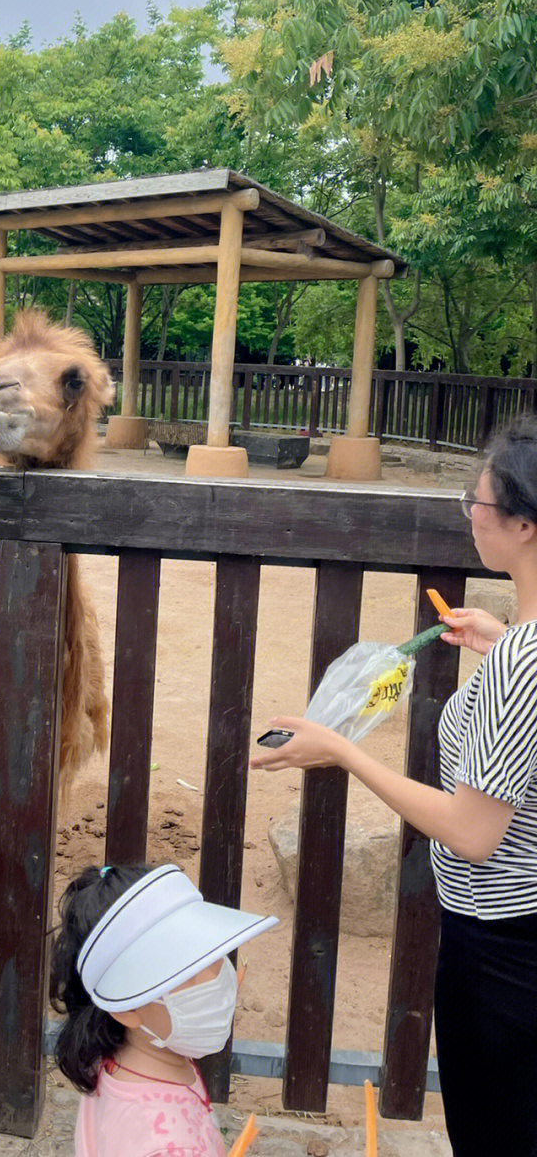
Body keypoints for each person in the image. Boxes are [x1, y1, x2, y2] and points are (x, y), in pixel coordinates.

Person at [250, 414, 537, 1157]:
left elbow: (475, 832)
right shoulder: (523, 649)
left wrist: (342, 750)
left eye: (476, 501)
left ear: (523, 523)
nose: (470, 515)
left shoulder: (523, 666)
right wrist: (500, 640)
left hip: (502, 954)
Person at [50, 863, 277, 1157]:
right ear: (126, 1008)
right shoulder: (173, 1148)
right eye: (183, 972)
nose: (216, 976)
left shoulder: (123, 1055)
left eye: (211, 951)